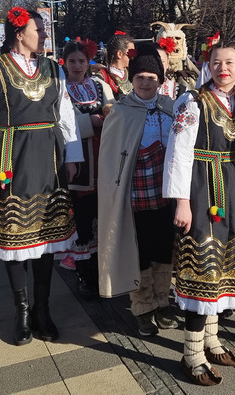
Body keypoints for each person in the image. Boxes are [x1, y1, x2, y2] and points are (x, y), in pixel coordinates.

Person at [0, 7, 81, 346]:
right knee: (16, 240)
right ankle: (20, 312)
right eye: (41, 30)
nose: (45, 35)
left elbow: (65, 113)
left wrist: (73, 156)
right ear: (20, 33)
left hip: (50, 156)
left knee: (46, 238)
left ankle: (42, 309)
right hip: (11, 157)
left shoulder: (53, 69)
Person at [164, 42, 235, 386]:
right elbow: (178, 153)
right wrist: (182, 202)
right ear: (209, 66)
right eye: (217, 62)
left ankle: (213, 340)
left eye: (230, 62)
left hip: (231, 188)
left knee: (223, 269)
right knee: (201, 269)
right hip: (201, 188)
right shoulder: (193, 102)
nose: (223, 68)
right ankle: (191, 355)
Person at [97, 43, 179, 337]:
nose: (146, 82)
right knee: (139, 251)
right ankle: (143, 306)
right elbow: (109, 159)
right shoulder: (121, 111)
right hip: (135, 196)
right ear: (131, 80)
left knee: (163, 249)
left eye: (152, 77)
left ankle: (162, 301)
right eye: (140, 77)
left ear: (161, 80)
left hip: (165, 193)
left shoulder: (171, 108)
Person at [57, 39, 114, 297]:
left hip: (103, 160)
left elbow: (114, 112)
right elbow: (58, 124)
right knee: (82, 219)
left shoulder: (100, 85)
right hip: (78, 162)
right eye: (72, 62)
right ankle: (85, 275)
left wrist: (109, 115)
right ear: (65, 63)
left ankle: (105, 274)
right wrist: (90, 122)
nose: (77, 66)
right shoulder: (60, 89)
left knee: (103, 219)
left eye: (82, 61)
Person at [93, 32, 135, 97]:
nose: (133, 56)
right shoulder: (101, 78)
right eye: (132, 52)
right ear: (120, 54)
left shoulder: (132, 74)